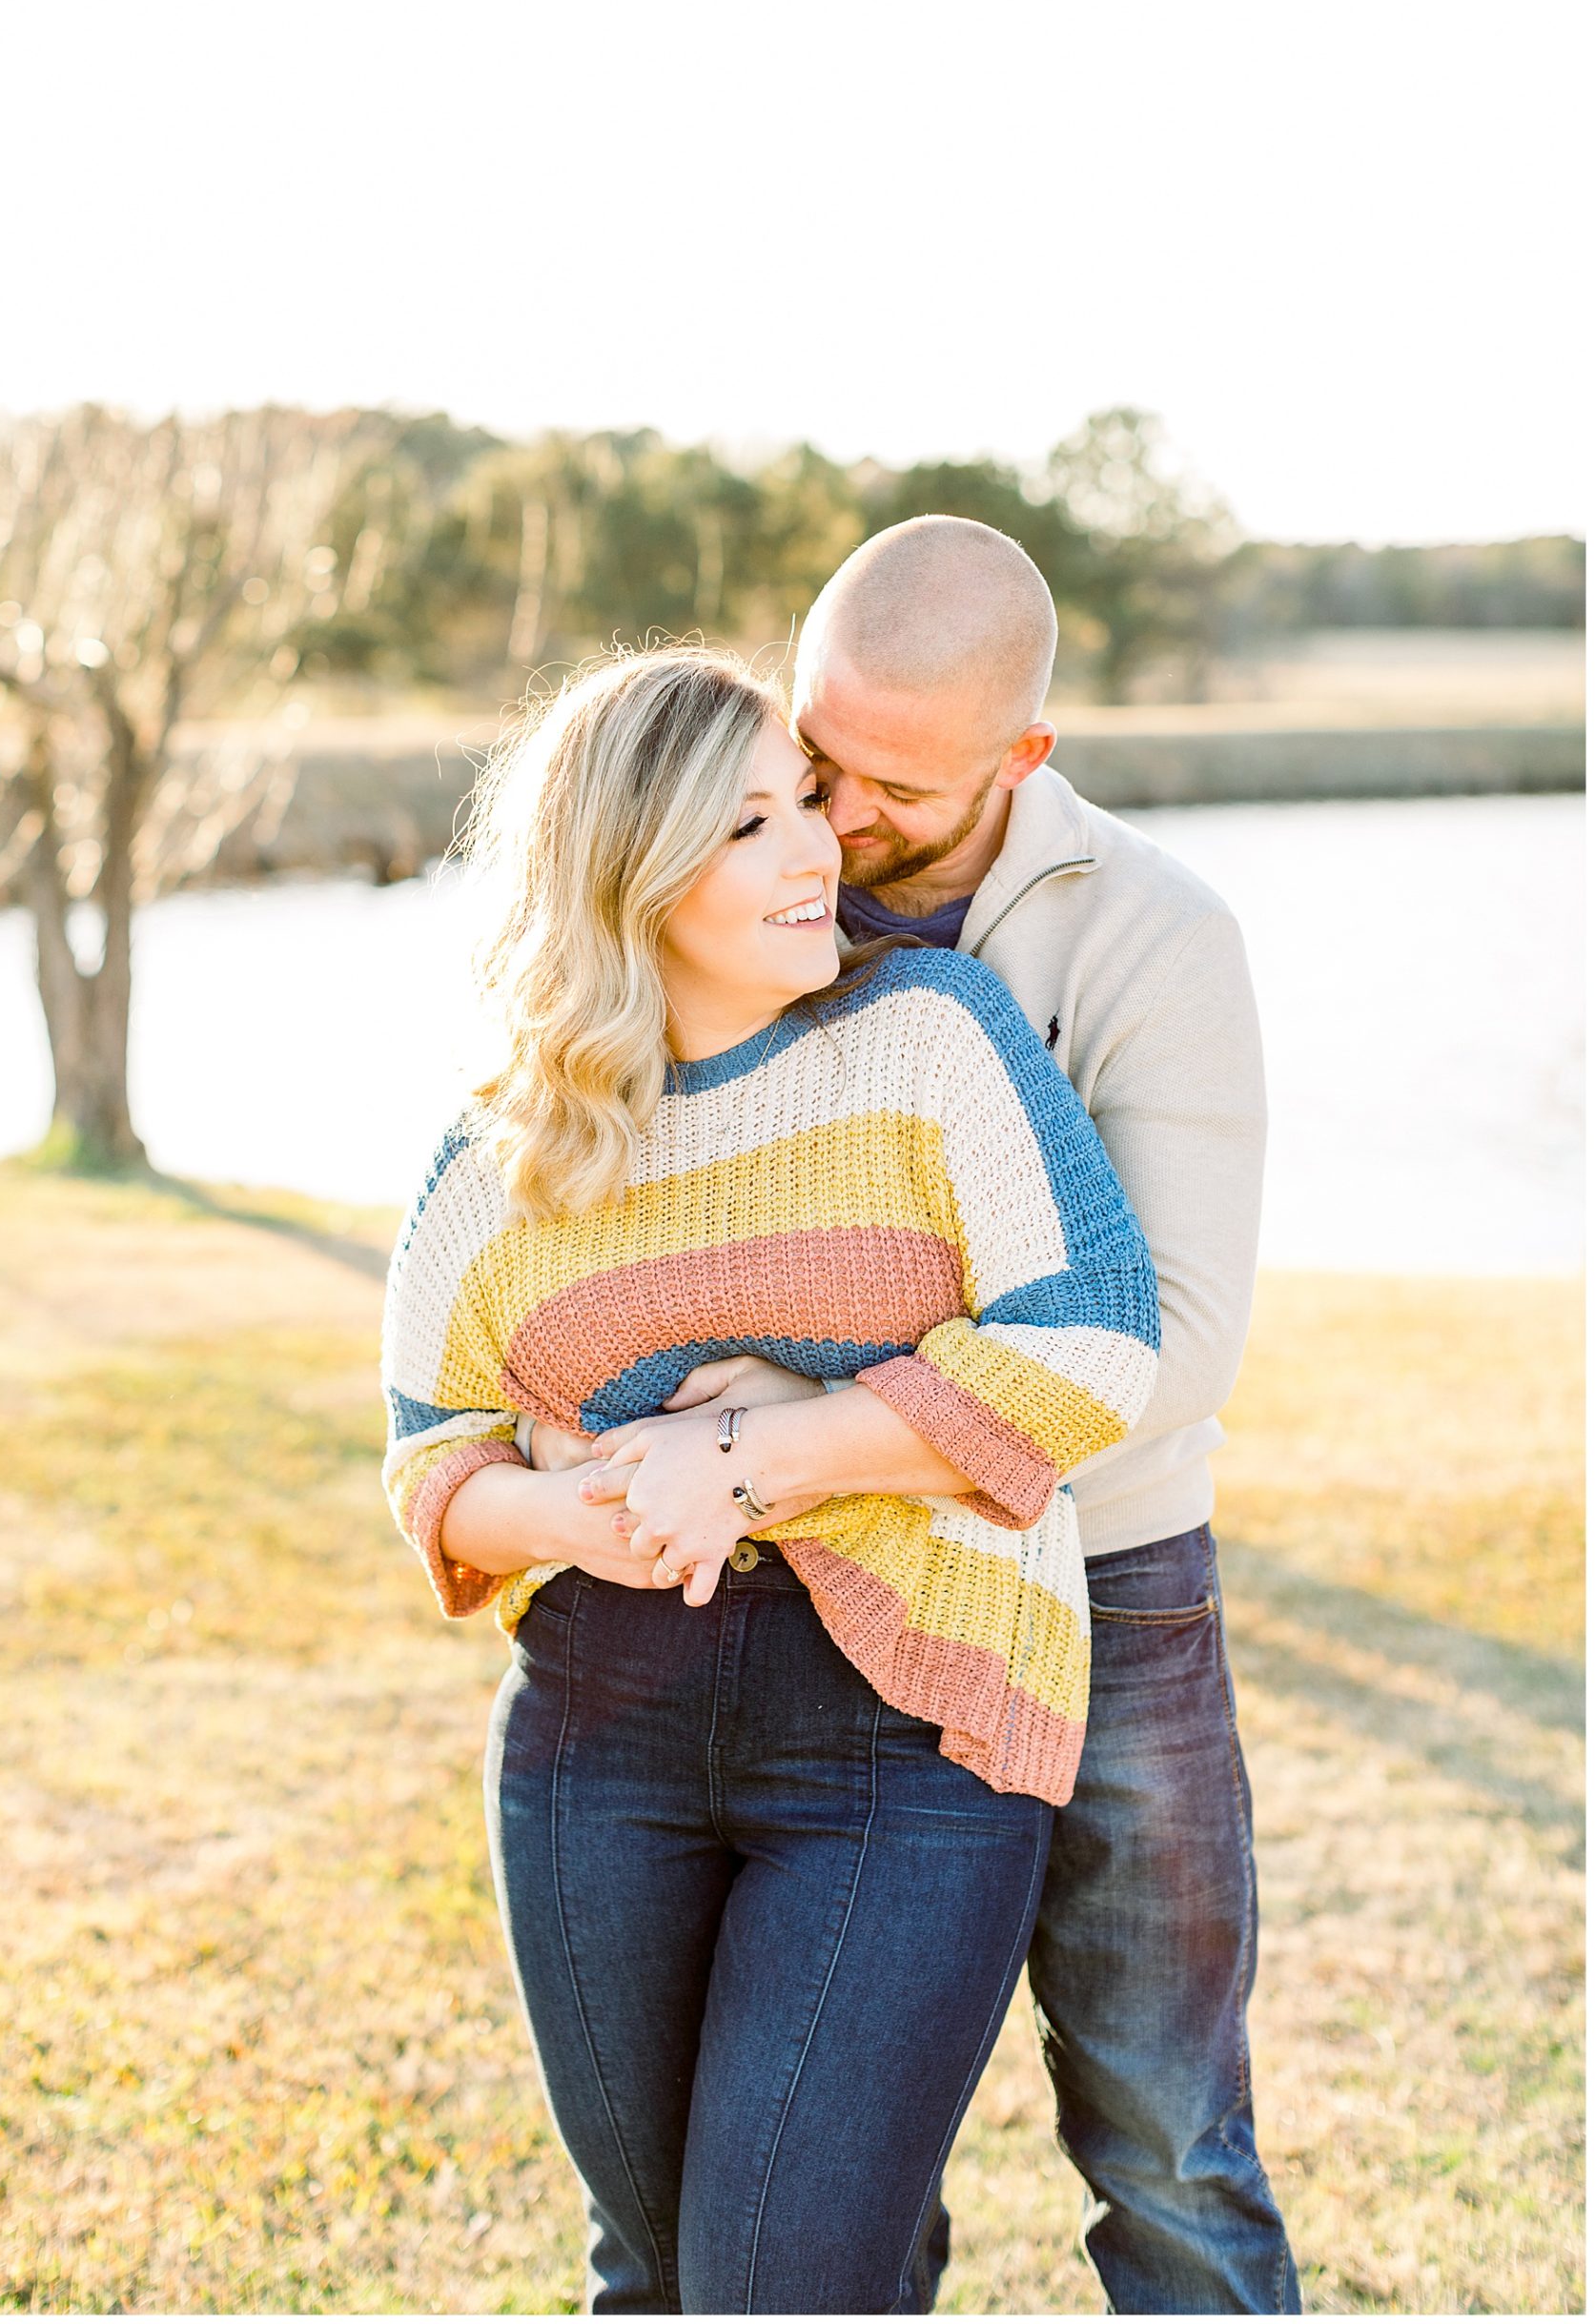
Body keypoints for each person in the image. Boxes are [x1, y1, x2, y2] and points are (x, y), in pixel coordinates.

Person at [379, 647, 1160, 2314]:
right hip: (602, 1737)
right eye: (749, 824)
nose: (816, 850)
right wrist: (597, 1504)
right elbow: (430, 1457)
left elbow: (1095, 1341)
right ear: (628, 870)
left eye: (803, 803)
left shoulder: (928, 1042)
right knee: (651, 2274)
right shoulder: (506, 1146)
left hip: (910, 1736)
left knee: (778, 2284)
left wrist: (745, 1454)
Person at [597, 520, 1301, 2314]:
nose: (829, 809)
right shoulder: (749, 884)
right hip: (823, 1601)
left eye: (888, 784)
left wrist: (786, 1412)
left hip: (1116, 1594)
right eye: (811, 753)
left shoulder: (1154, 936)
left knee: (1164, 2147)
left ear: (1021, 762)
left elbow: (1173, 1347)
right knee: (823, 2180)